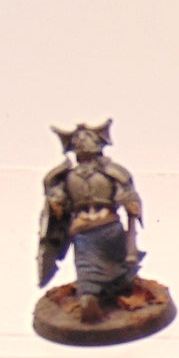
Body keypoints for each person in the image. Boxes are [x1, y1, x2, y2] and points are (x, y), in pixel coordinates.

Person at [38, 121, 144, 322]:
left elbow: (127, 193)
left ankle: (117, 290)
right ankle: (90, 299)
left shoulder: (112, 172)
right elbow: (59, 202)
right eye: (78, 140)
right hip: (83, 229)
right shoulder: (67, 176)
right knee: (86, 269)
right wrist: (55, 201)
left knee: (119, 267)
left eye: (87, 138)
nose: (83, 143)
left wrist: (130, 204)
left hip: (109, 225)